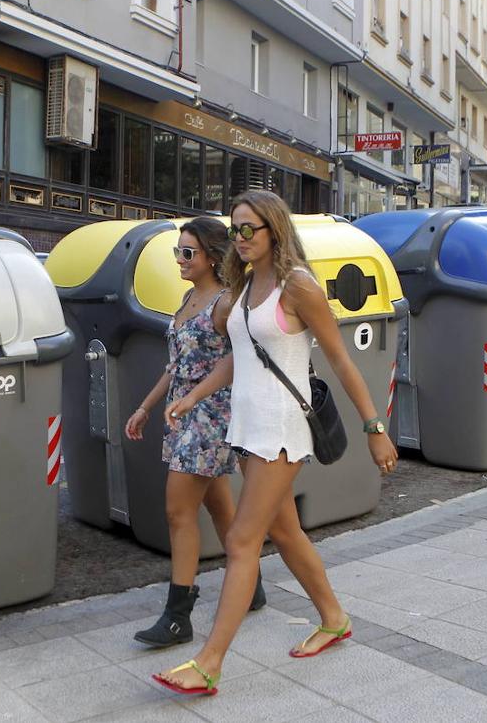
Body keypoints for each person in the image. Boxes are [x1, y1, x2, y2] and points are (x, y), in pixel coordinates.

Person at [153, 190, 398, 696]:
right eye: (235, 229)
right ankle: (333, 617)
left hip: (282, 430)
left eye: (249, 229)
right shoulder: (242, 288)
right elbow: (236, 360)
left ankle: (208, 663)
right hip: (247, 428)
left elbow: (342, 359)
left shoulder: (298, 286)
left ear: (274, 230)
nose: (239, 239)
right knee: (284, 533)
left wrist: (375, 430)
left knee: (242, 541)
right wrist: (192, 397)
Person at [125, 216, 266, 648]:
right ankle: (252, 583)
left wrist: (194, 399)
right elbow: (178, 365)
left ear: (211, 256)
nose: (181, 260)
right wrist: (147, 405)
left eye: (189, 253)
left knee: (178, 512)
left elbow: (240, 359)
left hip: (211, 417)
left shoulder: (225, 303)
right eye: (178, 252)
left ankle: (177, 615)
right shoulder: (189, 298)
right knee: (220, 506)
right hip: (182, 414)